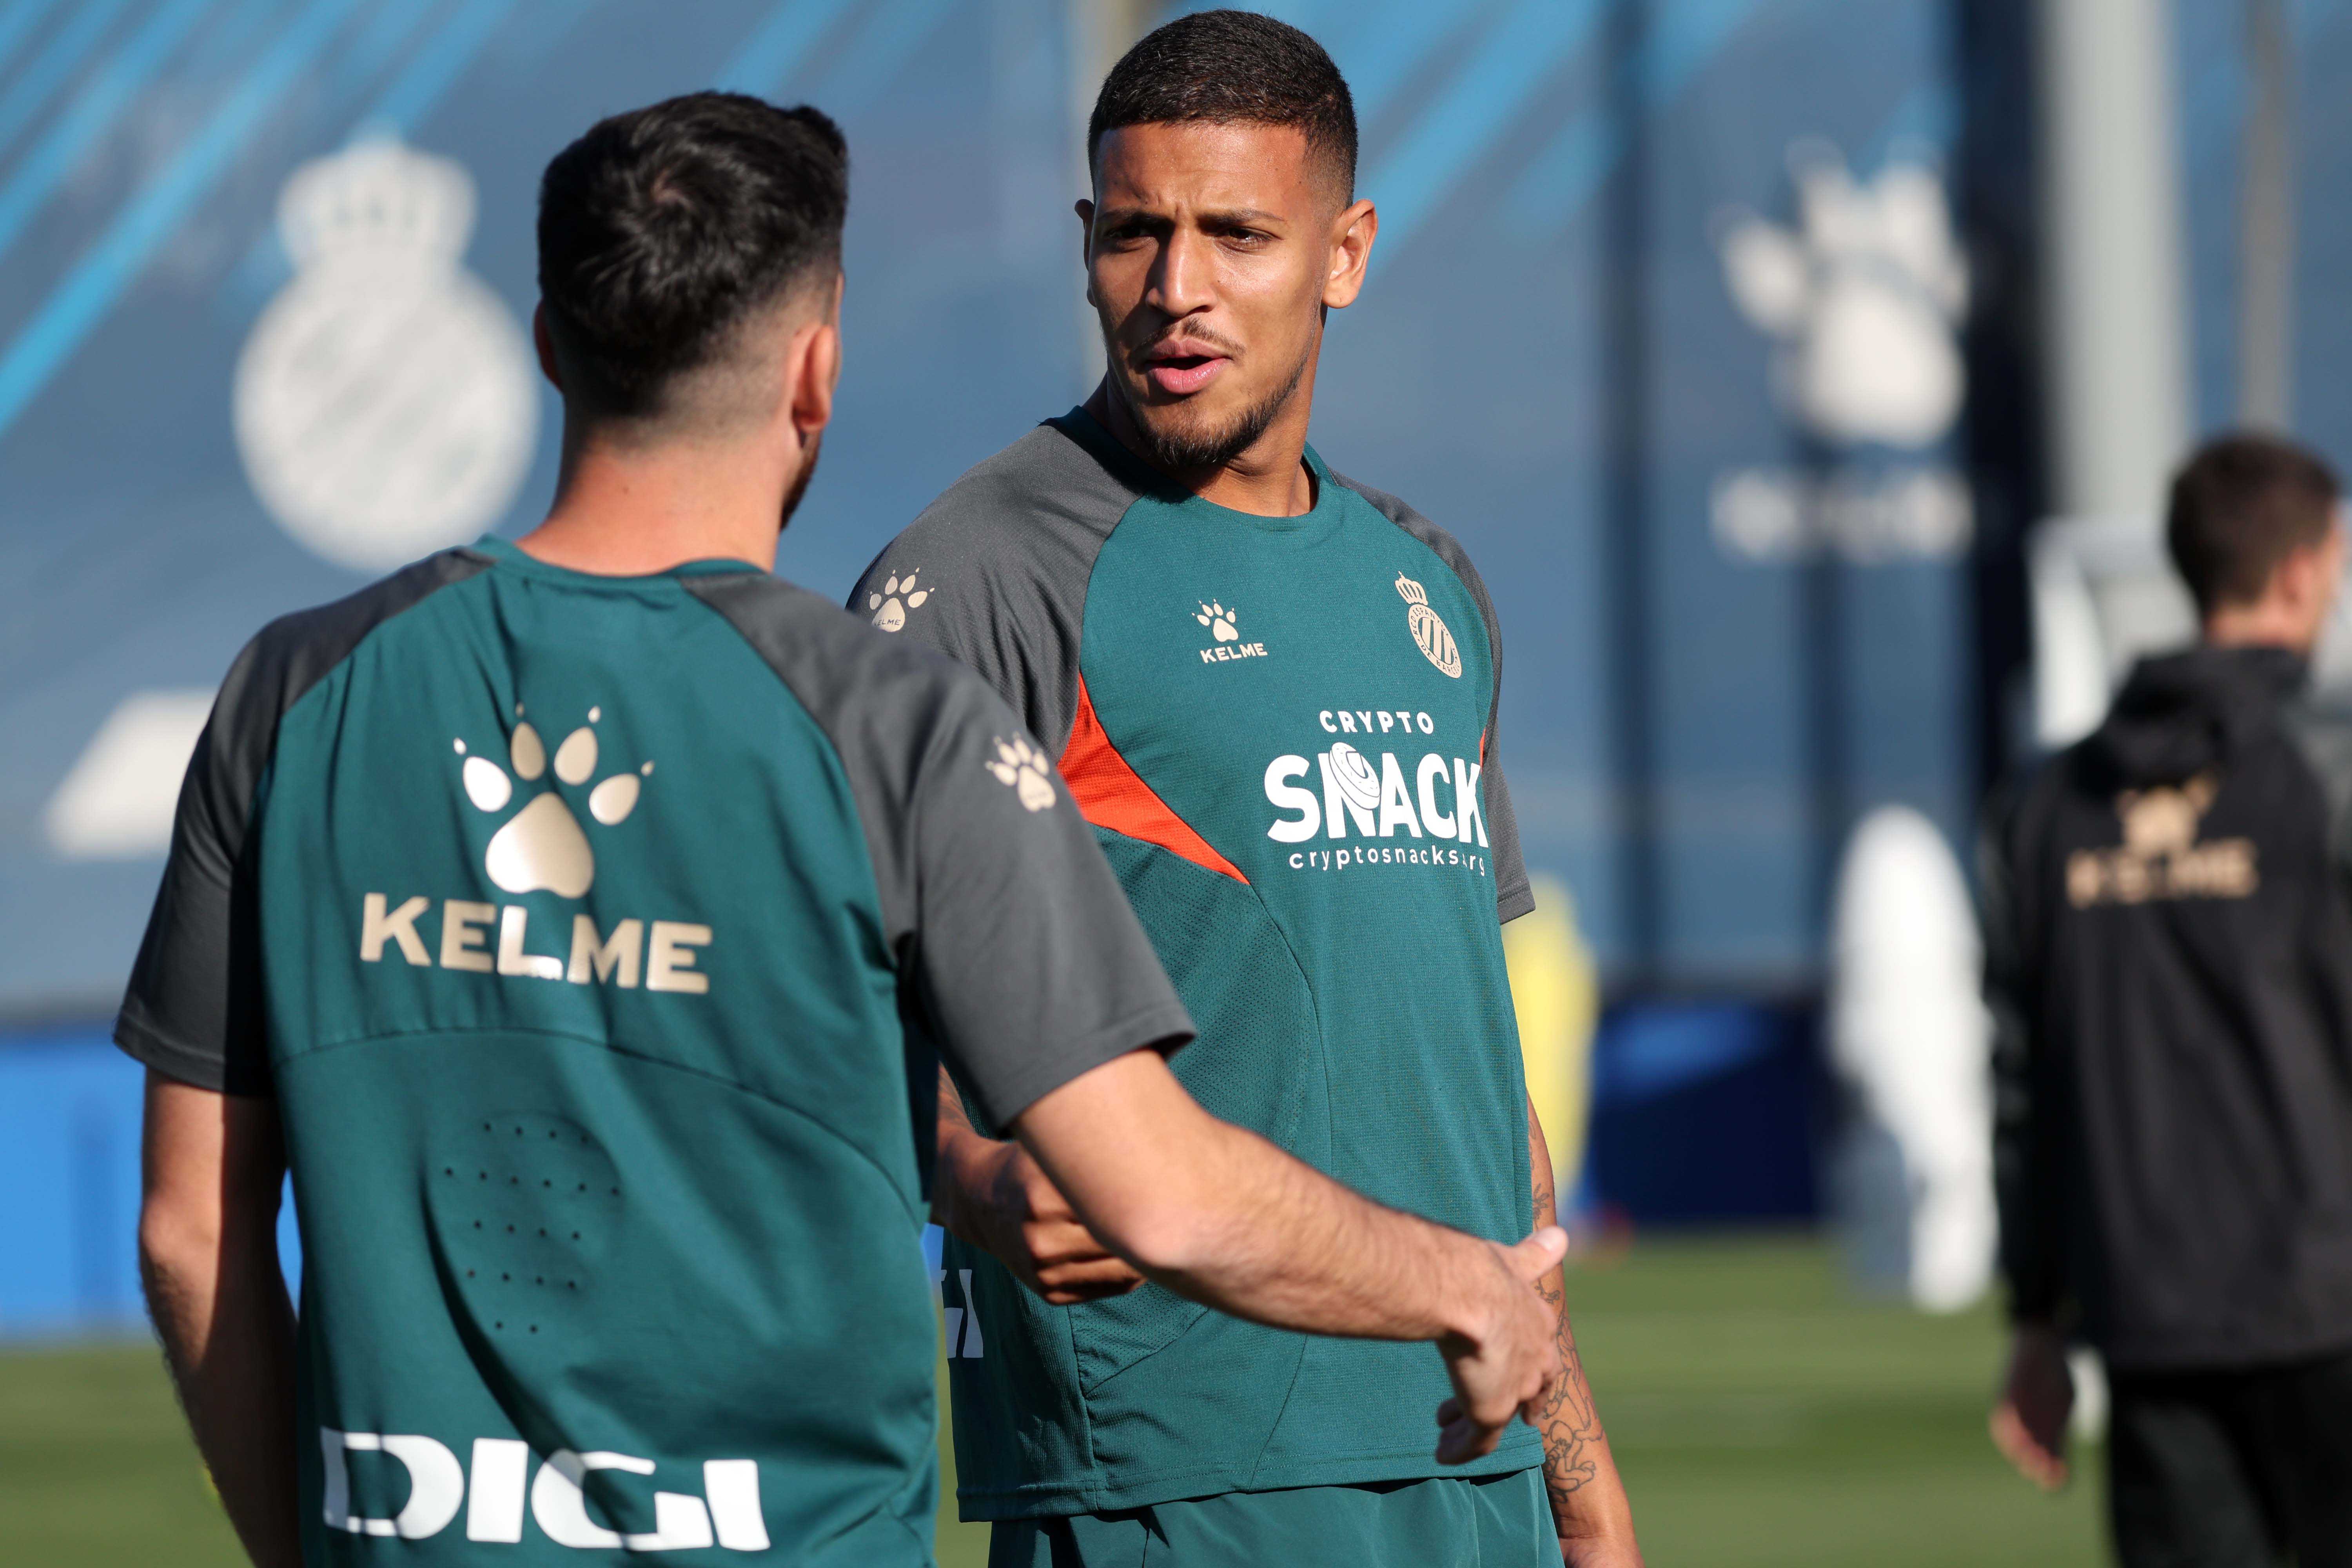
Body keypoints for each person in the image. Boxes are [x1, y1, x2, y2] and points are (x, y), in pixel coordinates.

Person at [123, 93, 1580, 1568]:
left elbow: (190, 1235)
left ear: (548, 344)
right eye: (1138, 232)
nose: (1178, 283)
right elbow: (1159, 1189)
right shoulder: (894, 725)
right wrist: (1459, 1285)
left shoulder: (294, 693)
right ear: (817, 371)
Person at [852, 15, 1640, 1566]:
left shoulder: (1429, 587)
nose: (1177, 288)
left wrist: (1580, 1478)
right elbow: (817, 1001)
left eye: (1237, 234)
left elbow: (1479, 1093)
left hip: (1476, 1467)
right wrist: (973, 1169)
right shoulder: (982, 577)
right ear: (1085, 245)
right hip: (1176, 1484)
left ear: (1344, 253)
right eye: (1135, 233)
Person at [1984, 434, 2352, 1567]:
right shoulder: (2327, 770)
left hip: (2148, 1320)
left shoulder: (2051, 805)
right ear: (2304, 569)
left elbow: (2022, 1079)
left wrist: (2036, 1317)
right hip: (2332, 1305)